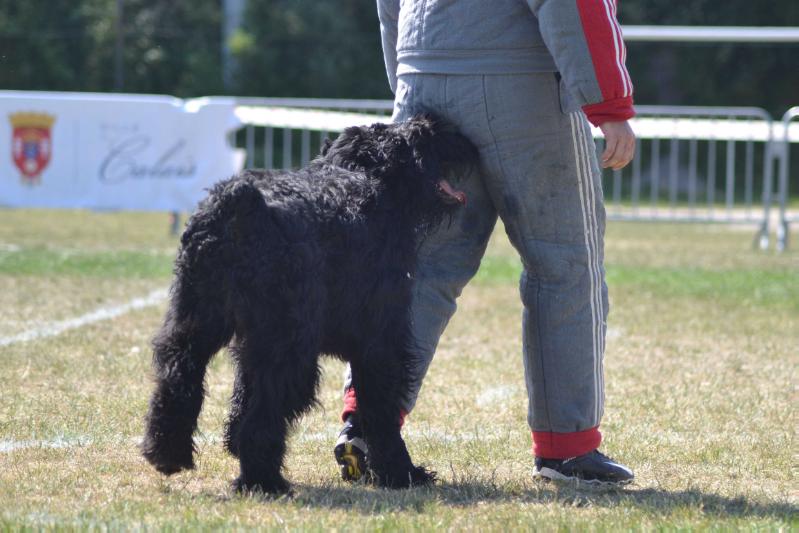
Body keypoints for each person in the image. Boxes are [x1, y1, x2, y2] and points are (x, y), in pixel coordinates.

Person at [334, 0, 637, 485]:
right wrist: (610, 103)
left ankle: (367, 424)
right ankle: (567, 448)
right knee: (563, 268)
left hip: (424, 76)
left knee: (414, 270)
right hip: (523, 84)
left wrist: (411, 76)